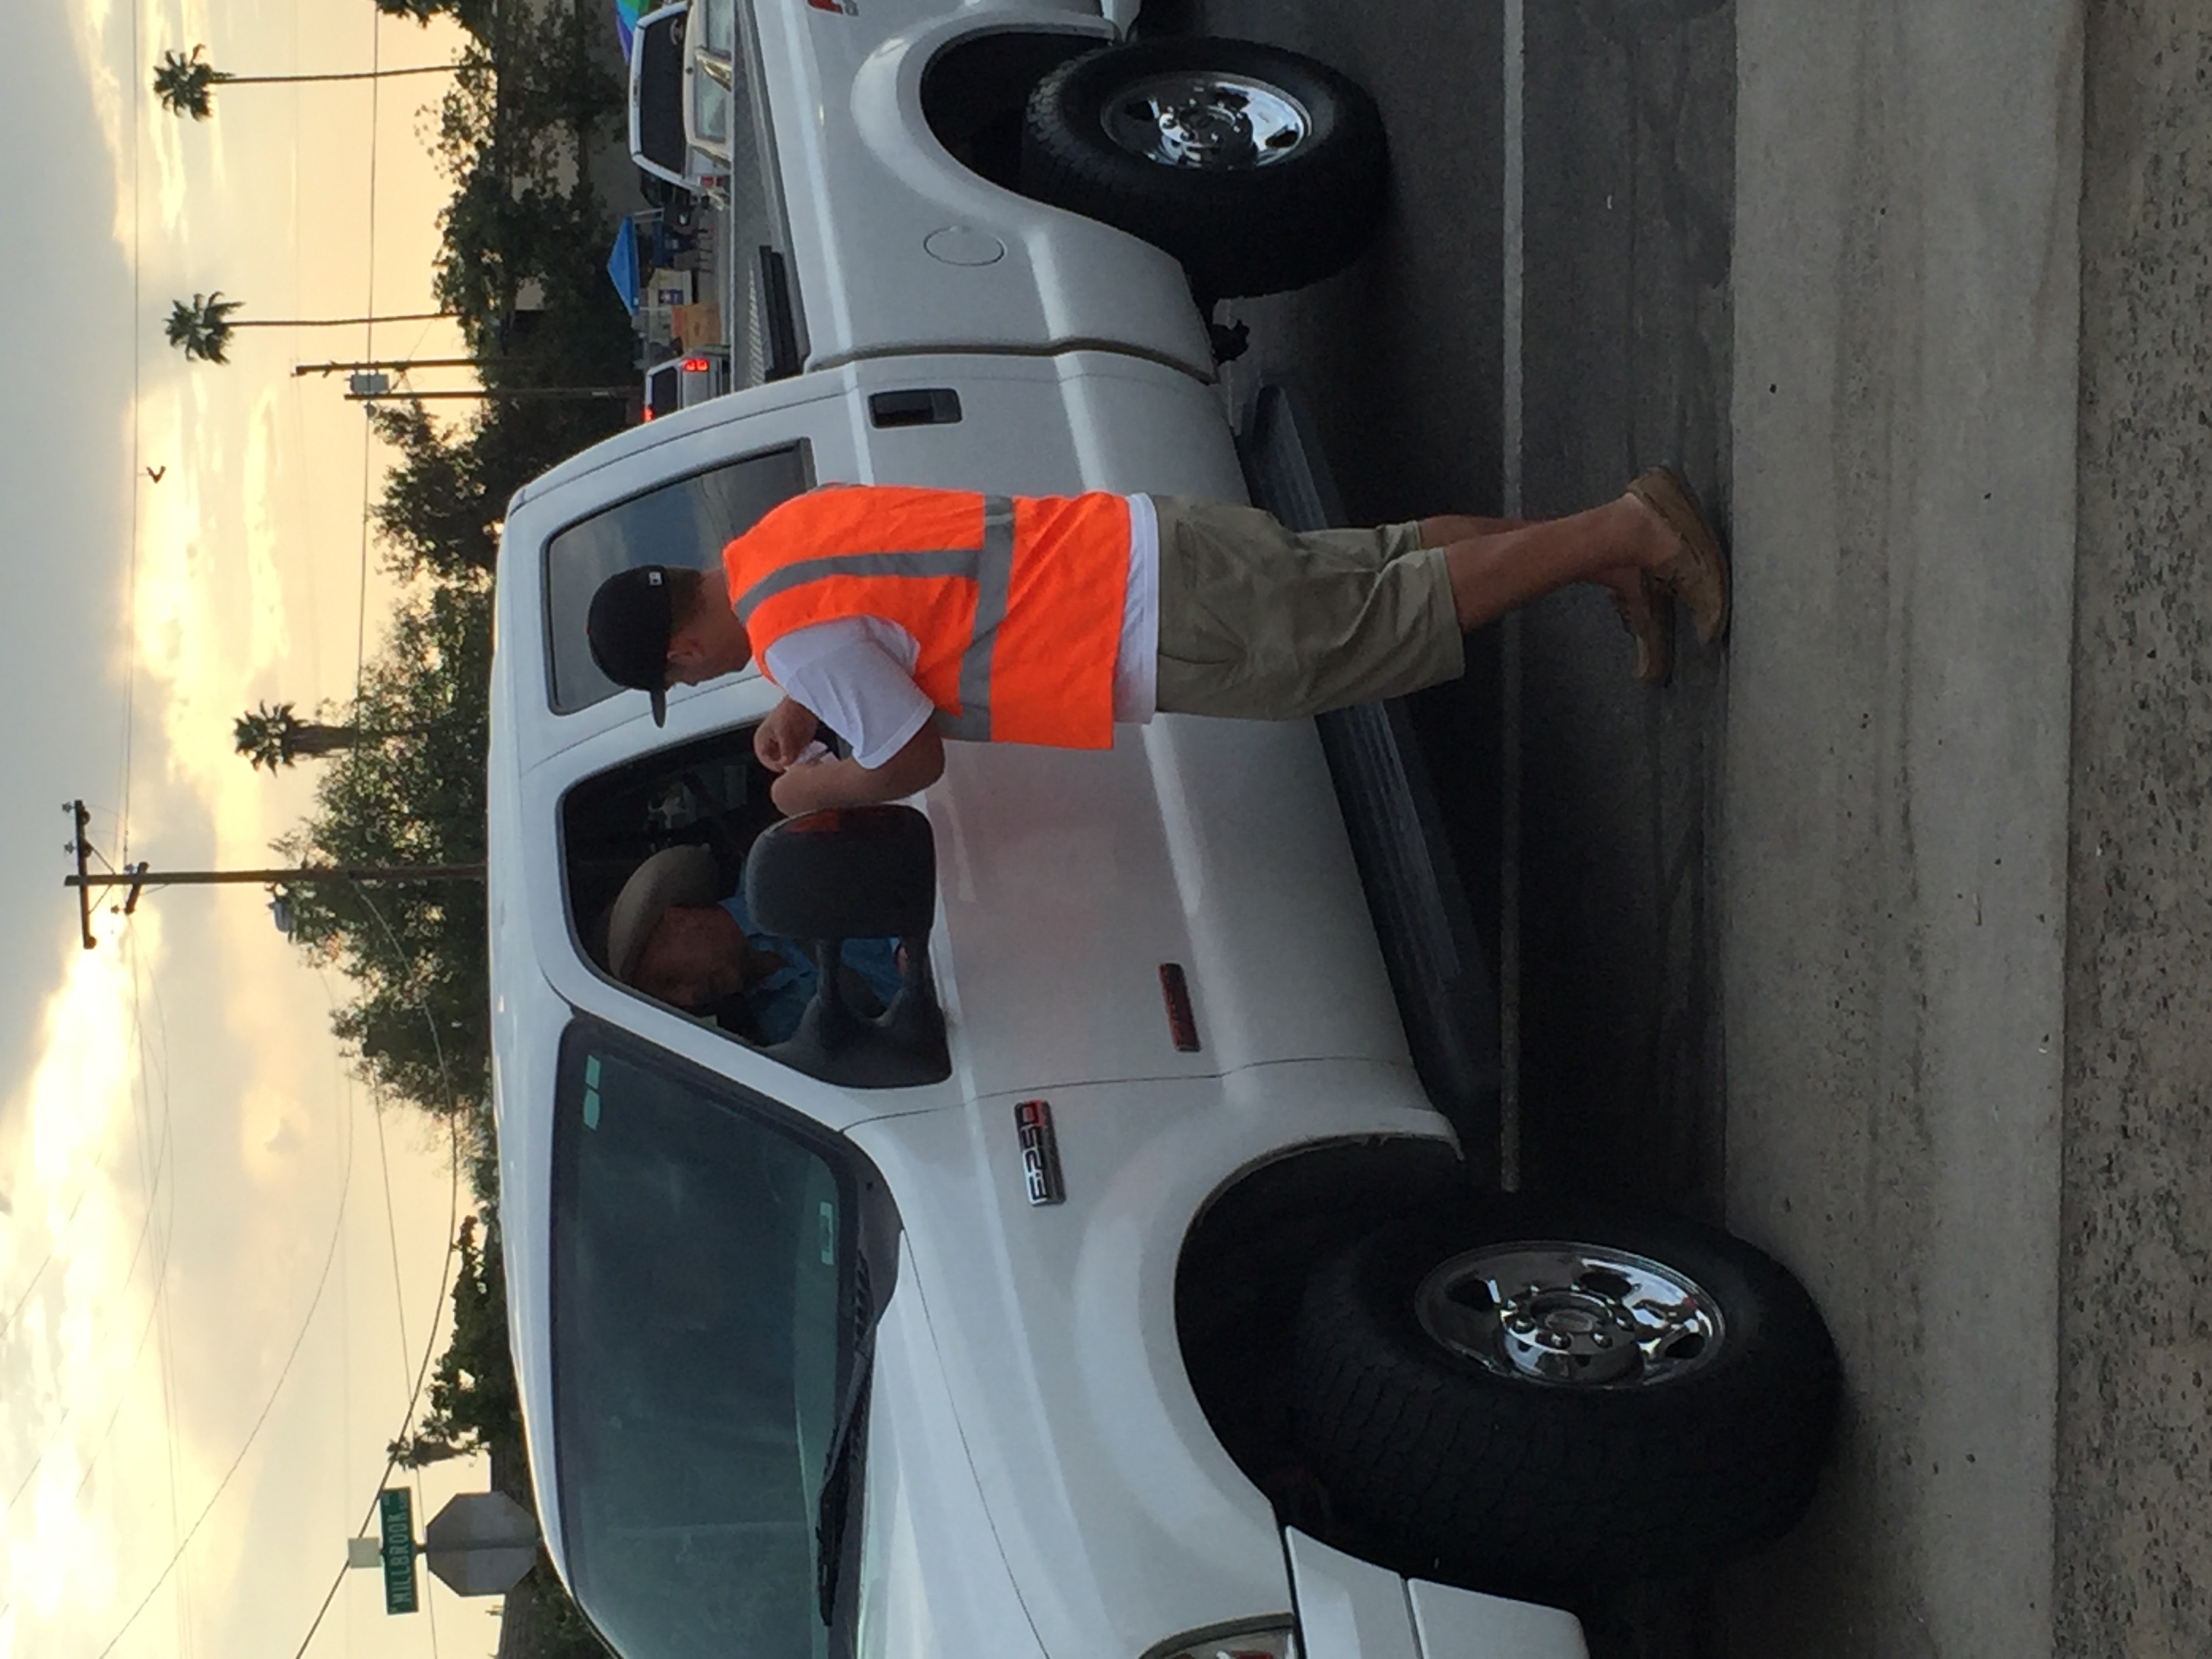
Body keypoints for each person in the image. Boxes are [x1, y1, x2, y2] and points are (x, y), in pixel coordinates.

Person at [584, 472, 1727, 816]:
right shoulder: (781, 540)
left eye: (676, 676)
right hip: (1133, 551)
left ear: (680, 657)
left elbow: (914, 757)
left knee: (1380, 620)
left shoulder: (791, 640)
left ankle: (1624, 524)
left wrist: (815, 788)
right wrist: (811, 710)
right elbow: (910, 619)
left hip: (1138, 629)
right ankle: (1598, 554)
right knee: (1374, 559)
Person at [603, 845, 903, 1044]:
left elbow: (885, 862)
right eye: (672, 1003)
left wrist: (904, 945)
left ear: (679, 920)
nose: (689, 999)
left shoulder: (774, 868)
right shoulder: (785, 1031)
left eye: (670, 979)